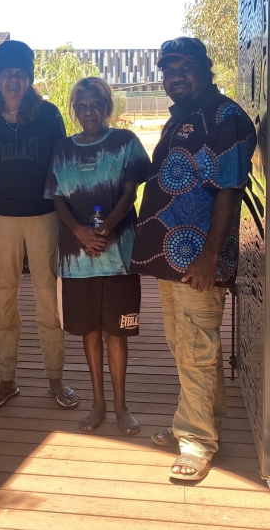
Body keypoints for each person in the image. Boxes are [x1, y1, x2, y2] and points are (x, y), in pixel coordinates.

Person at [130, 37, 256, 482]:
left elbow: (229, 189)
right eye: (167, 70)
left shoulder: (227, 117)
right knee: (186, 344)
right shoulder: (183, 116)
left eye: (183, 67)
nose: (174, 77)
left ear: (206, 67)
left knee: (197, 346)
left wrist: (208, 255)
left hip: (196, 257)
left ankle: (197, 441)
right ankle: (205, 419)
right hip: (170, 254)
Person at [0, 40, 79, 410]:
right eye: (7, 73)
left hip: (43, 217)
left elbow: (61, 163)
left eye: (20, 73)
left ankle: (56, 379)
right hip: (1, 218)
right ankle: (6, 380)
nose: (13, 80)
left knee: (49, 298)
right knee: (3, 299)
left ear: (29, 78)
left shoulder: (48, 115)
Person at [46, 77, 150, 435]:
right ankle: (99, 404)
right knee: (88, 330)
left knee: (116, 333)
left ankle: (121, 406)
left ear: (107, 106)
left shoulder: (125, 143)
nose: (88, 111)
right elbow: (57, 196)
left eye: (95, 104)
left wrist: (104, 230)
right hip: (77, 258)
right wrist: (79, 232)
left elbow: (130, 191)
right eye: (81, 105)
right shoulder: (62, 148)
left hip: (118, 255)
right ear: (75, 110)